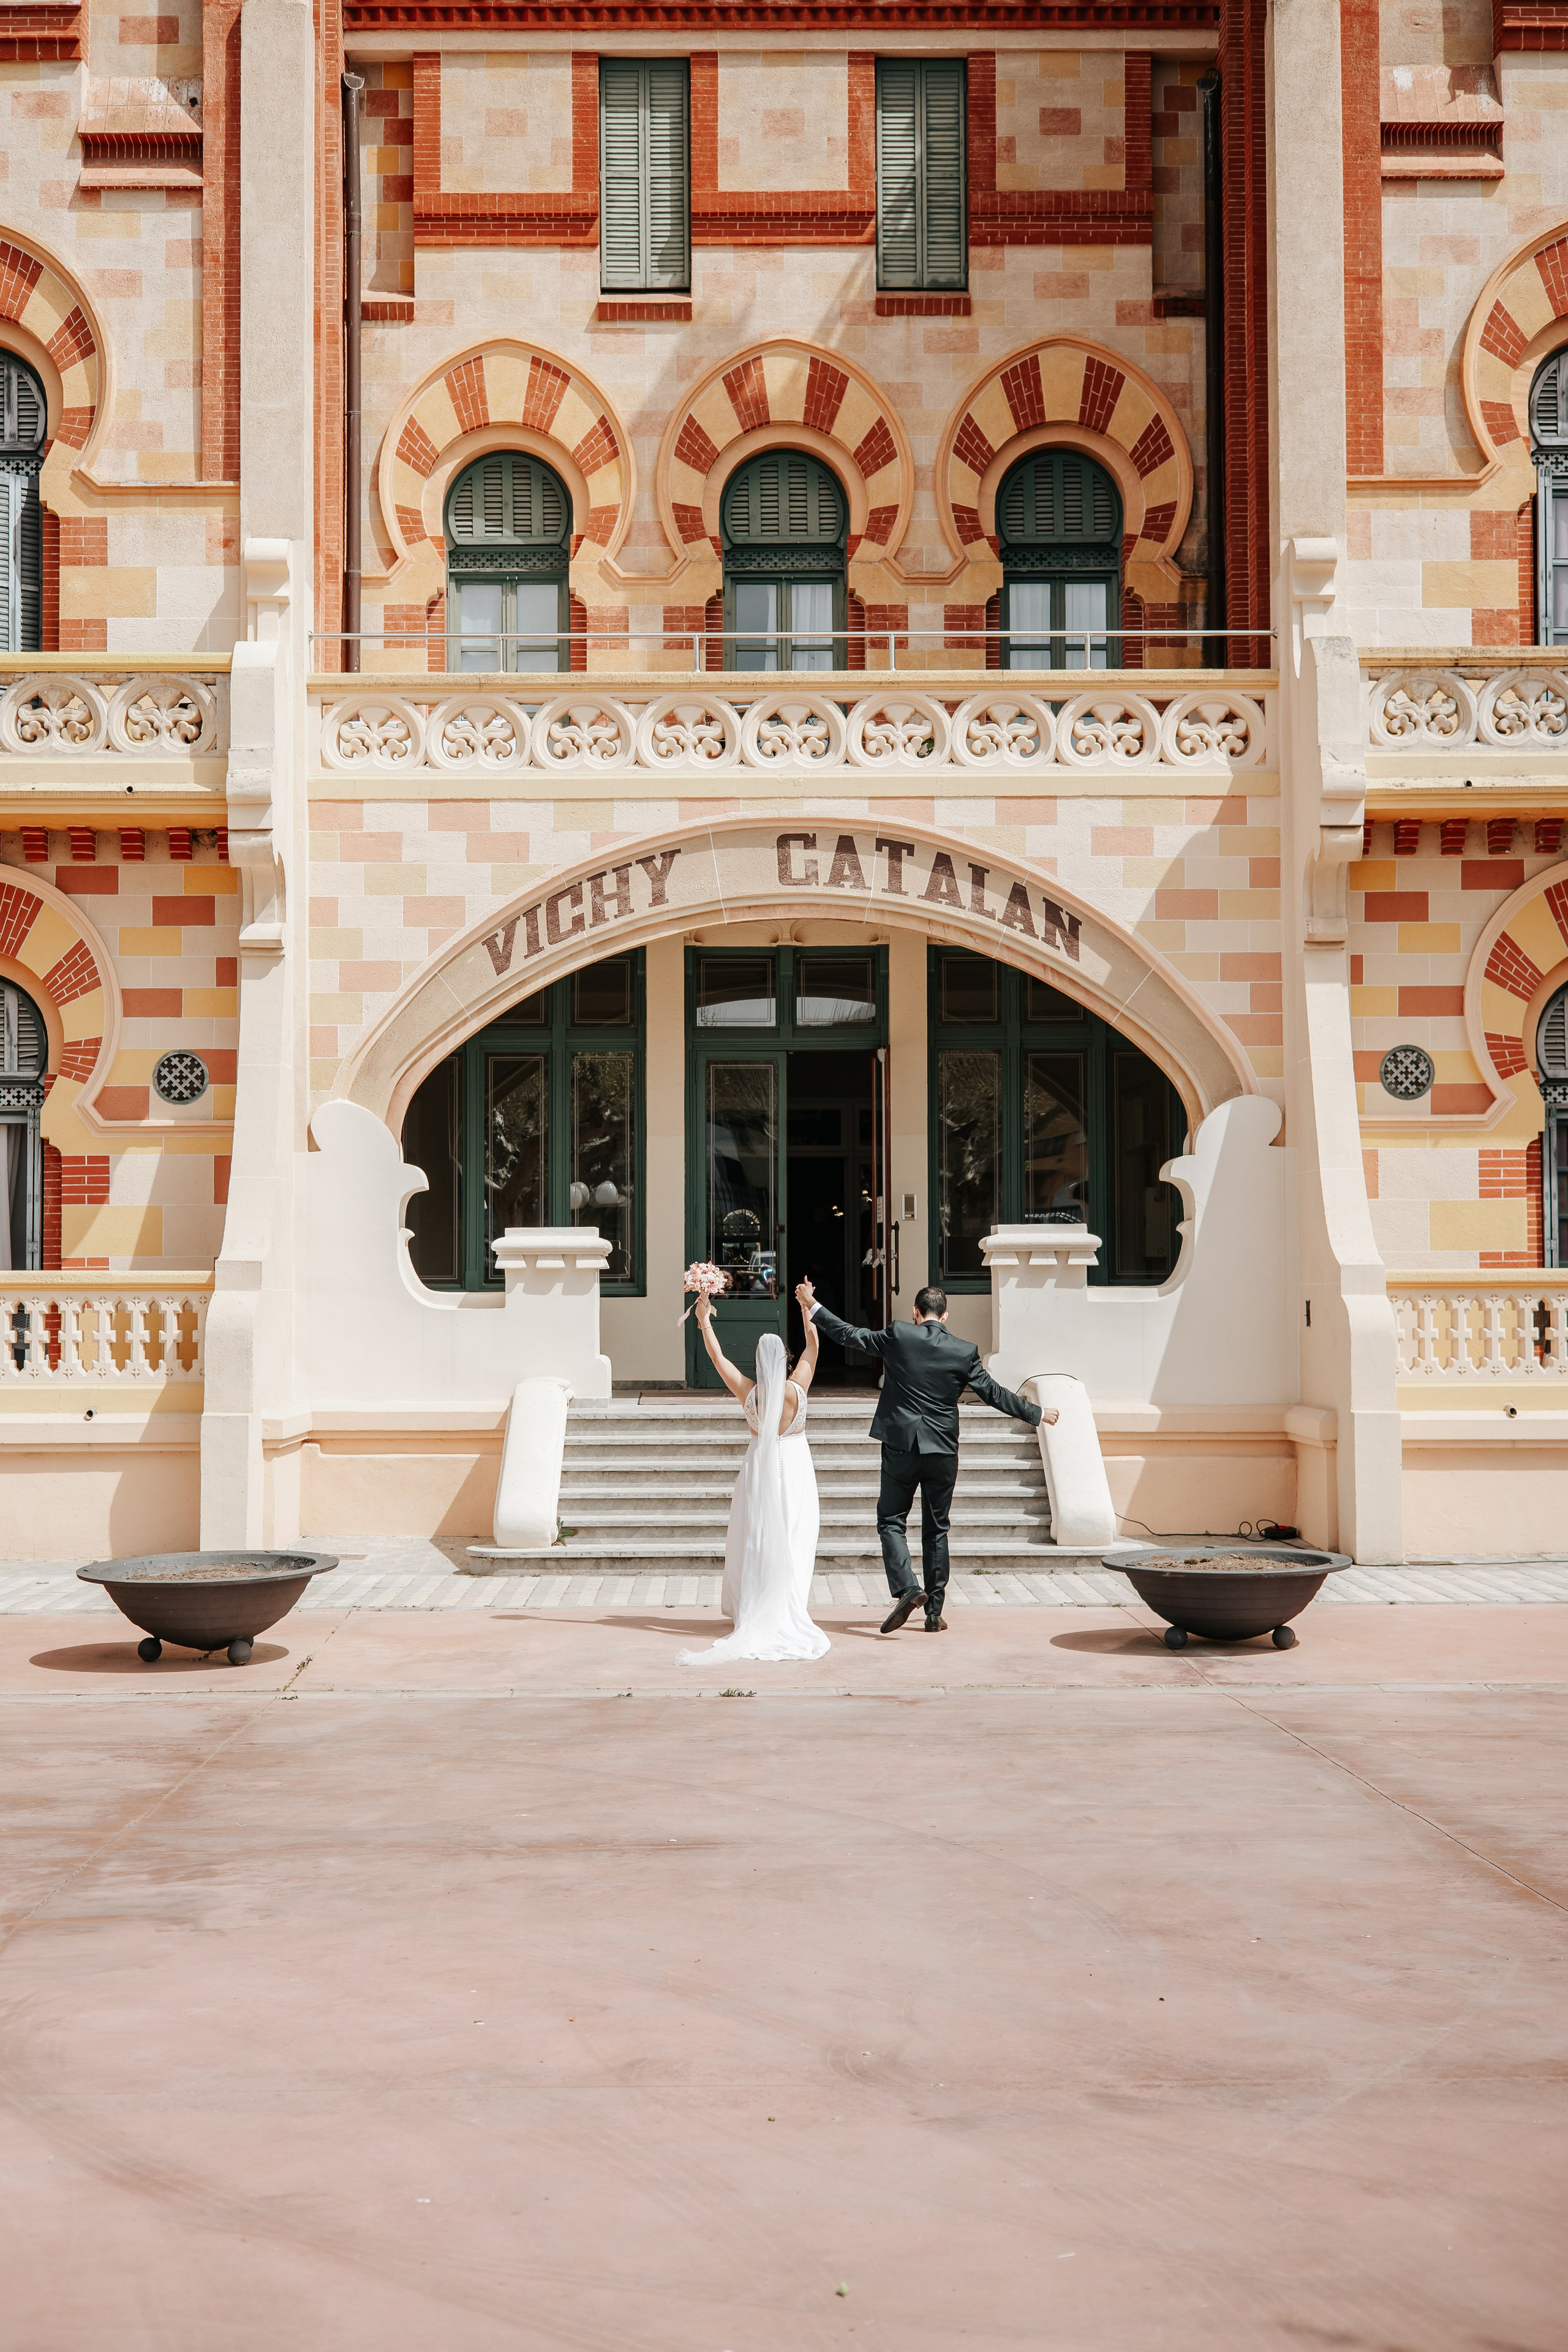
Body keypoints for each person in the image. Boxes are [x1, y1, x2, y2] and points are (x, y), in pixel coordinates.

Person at [796, 1276, 1056, 1634]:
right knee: (937, 1530)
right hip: (942, 1452)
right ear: (945, 1316)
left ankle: (907, 1588)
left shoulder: (900, 1334)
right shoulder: (964, 1351)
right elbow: (993, 1393)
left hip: (901, 1446)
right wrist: (1036, 1414)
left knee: (890, 1521)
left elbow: (849, 1335)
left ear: (916, 1313)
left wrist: (812, 1304)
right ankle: (934, 1612)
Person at [679, 1289, 829, 1664]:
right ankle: (790, 1607)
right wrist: (805, 1305)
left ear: (760, 1364)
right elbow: (813, 1346)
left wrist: (703, 1320)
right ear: (785, 1361)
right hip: (795, 1470)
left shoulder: (749, 1392)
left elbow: (717, 1357)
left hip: (760, 1470)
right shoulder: (799, 1389)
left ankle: (757, 1609)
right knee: (796, 1537)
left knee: (757, 1538)